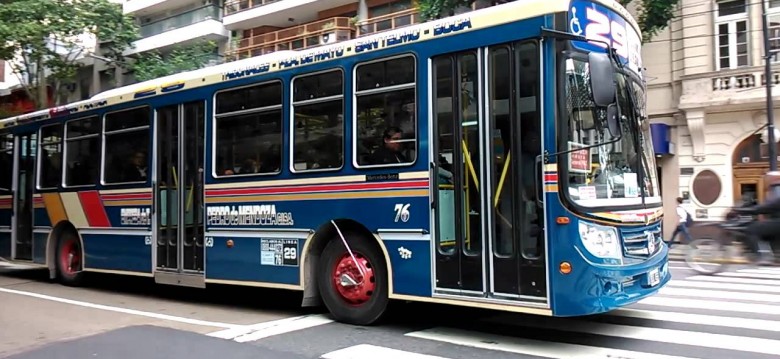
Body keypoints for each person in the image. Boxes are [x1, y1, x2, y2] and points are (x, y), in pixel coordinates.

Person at [731, 185, 780, 265]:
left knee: (752, 228)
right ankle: (775, 255)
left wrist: (740, 210)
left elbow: (764, 208)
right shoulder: (776, 190)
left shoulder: (777, 193)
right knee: (766, 228)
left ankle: (760, 257)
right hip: (776, 221)